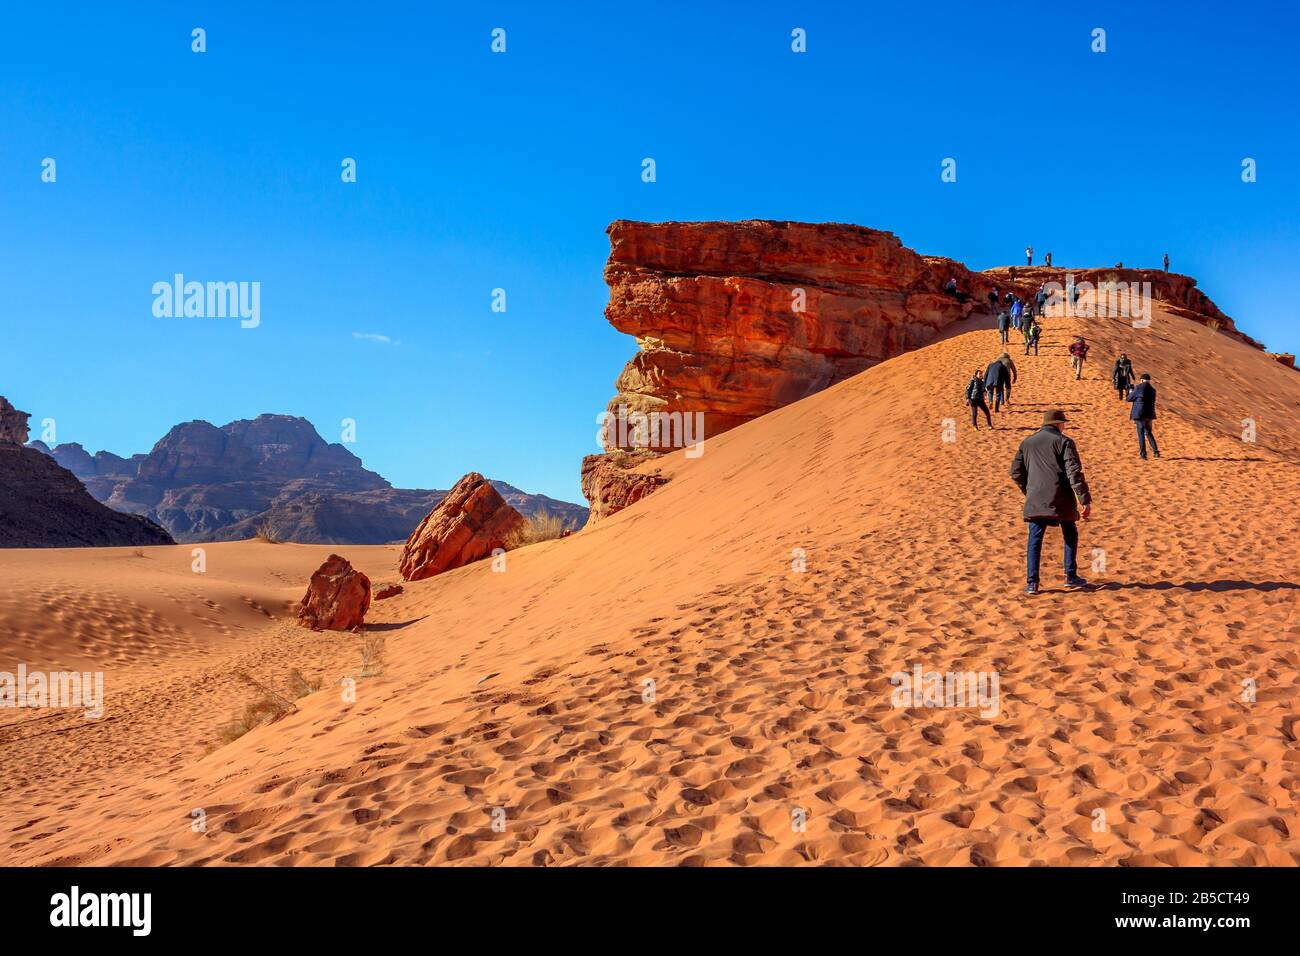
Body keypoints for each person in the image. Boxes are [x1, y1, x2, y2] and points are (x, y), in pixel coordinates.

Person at [1010, 409, 1093, 594]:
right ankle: (1070, 576)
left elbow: (1015, 472)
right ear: (1058, 424)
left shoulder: (1027, 442)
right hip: (1061, 497)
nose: (1064, 427)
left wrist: (1028, 490)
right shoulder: (1064, 442)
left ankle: (1032, 583)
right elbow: (1074, 473)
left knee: (1034, 539)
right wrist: (1084, 500)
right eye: (1063, 423)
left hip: (1035, 499)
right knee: (1070, 533)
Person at [1127, 372, 1160, 459]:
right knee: (1148, 432)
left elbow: (1128, 398)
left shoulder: (1138, 388)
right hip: (1149, 414)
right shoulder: (1153, 390)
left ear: (1141, 380)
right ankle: (1156, 452)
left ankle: (1143, 454)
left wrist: (1130, 391)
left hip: (1139, 414)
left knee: (1140, 433)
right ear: (1149, 381)